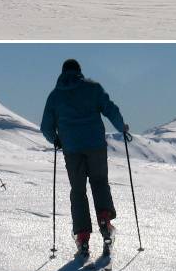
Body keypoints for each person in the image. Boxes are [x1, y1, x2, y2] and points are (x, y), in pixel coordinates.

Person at [41, 59, 129, 260]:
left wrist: (56, 140)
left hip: (72, 150)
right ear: (79, 71)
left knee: (78, 191)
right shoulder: (93, 88)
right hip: (96, 146)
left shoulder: (55, 96)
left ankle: (82, 239)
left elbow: (46, 126)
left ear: (62, 73)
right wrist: (121, 126)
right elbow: (110, 108)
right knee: (99, 183)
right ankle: (105, 223)